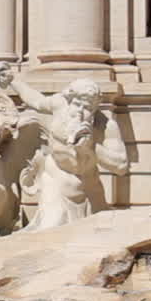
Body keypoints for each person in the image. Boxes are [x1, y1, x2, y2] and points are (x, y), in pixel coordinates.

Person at [11, 78, 129, 231]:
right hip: (56, 182)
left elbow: (121, 166)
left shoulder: (105, 126)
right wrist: (13, 80)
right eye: (76, 104)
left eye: (86, 107)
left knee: (97, 236)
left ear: (94, 109)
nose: (79, 111)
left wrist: (91, 147)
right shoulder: (59, 105)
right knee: (50, 230)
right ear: (68, 100)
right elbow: (35, 100)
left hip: (89, 189)